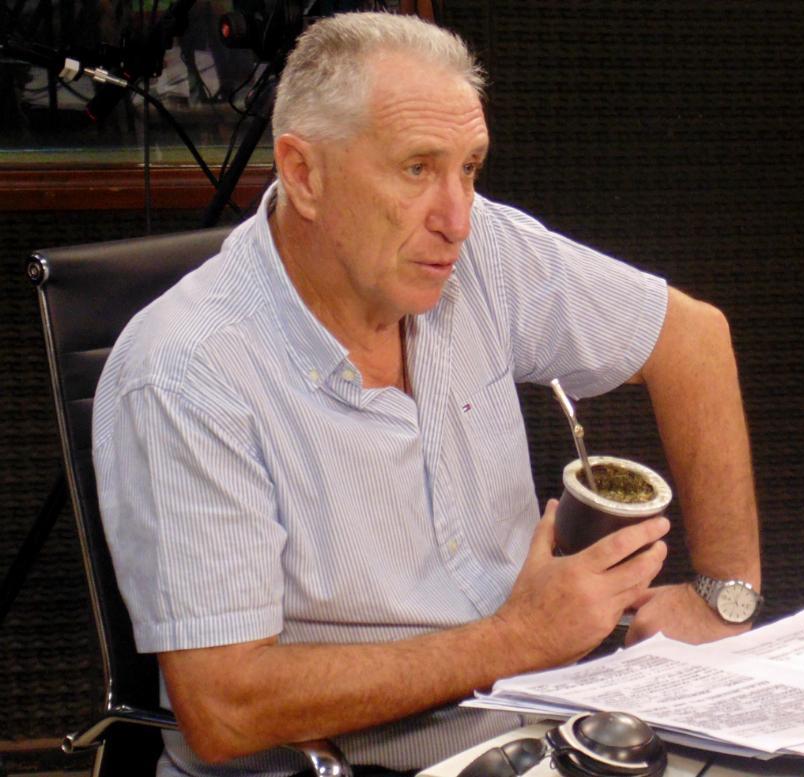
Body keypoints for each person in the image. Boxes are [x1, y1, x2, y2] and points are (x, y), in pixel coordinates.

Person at [93, 11, 760, 777]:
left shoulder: (480, 253)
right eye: (417, 169)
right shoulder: (186, 372)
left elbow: (692, 338)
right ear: (304, 175)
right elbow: (223, 708)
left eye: (469, 168)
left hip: (546, 725)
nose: (457, 218)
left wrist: (724, 594)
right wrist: (519, 639)